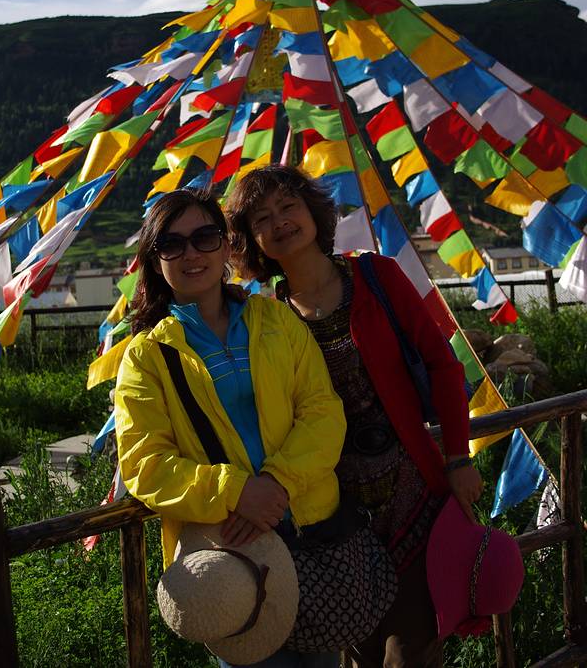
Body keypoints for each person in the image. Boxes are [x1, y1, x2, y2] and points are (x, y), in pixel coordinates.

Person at [226, 165, 484, 668]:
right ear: (251, 240)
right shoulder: (265, 317)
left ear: (313, 212)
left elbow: (443, 364)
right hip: (335, 514)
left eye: (288, 206)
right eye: (262, 218)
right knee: (360, 651)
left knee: (412, 651)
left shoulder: (376, 276)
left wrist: (458, 457)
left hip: (414, 494)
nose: (280, 222)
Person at [114, 187, 348, 668]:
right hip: (231, 553)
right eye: (172, 244)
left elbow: (323, 410)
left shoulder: (276, 320)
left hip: (309, 532)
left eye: (204, 237)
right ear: (154, 260)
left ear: (225, 246)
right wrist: (235, 492)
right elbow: (144, 464)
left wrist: (277, 483)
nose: (191, 254)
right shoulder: (146, 356)